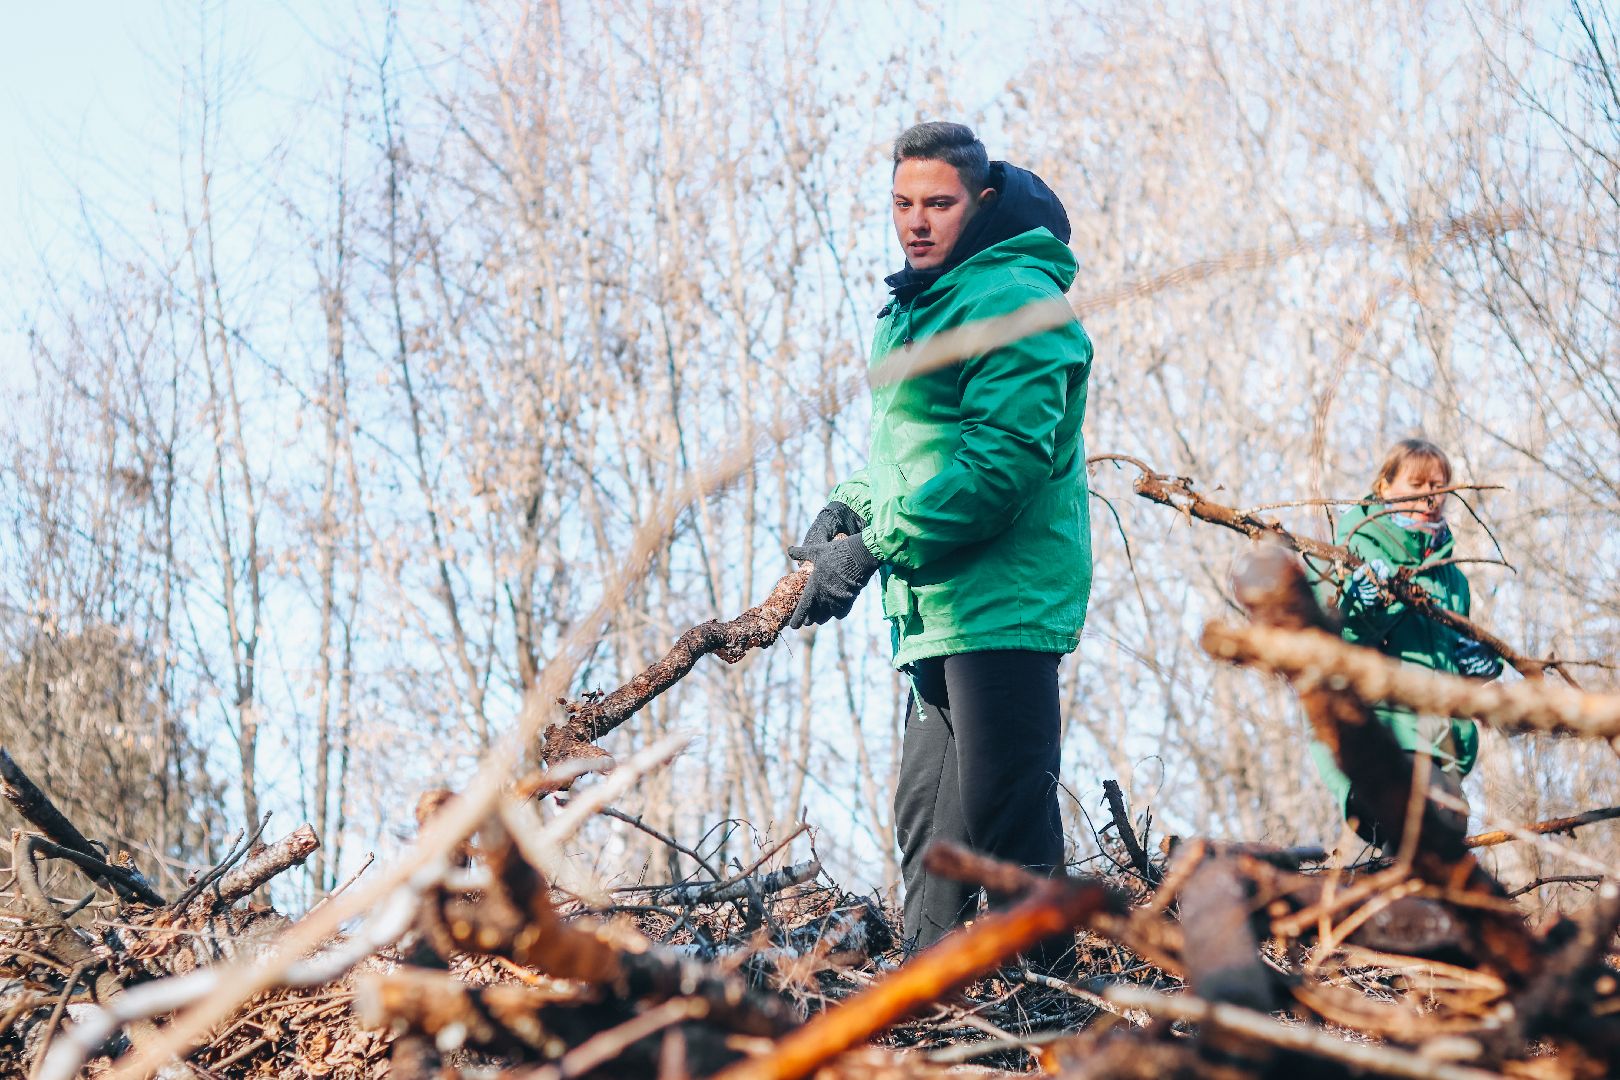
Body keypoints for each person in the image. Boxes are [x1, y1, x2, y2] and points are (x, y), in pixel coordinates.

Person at [786, 121, 1094, 951]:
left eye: (938, 204)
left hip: (1002, 603)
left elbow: (999, 468)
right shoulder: (921, 308)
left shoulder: (1014, 301)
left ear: (982, 202)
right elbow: (912, 456)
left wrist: (873, 546)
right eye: (902, 204)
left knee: (1006, 834)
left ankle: (1053, 1024)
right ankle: (928, 1028)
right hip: (937, 609)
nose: (916, 222)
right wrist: (846, 507)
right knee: (929, 835)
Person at [1312, 438, 1502, 849]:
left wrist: (1475, 667)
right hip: (1377, 737)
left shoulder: (1453, 579)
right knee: (1419, 832)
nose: (1431, 496)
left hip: (1441, 748)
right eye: (1417, 485)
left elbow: (1450, 663)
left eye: (1439, 485)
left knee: (1438, 848)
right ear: (1384, 486)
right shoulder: (1349, 551)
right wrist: (1358, 609)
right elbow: (1321, 643)